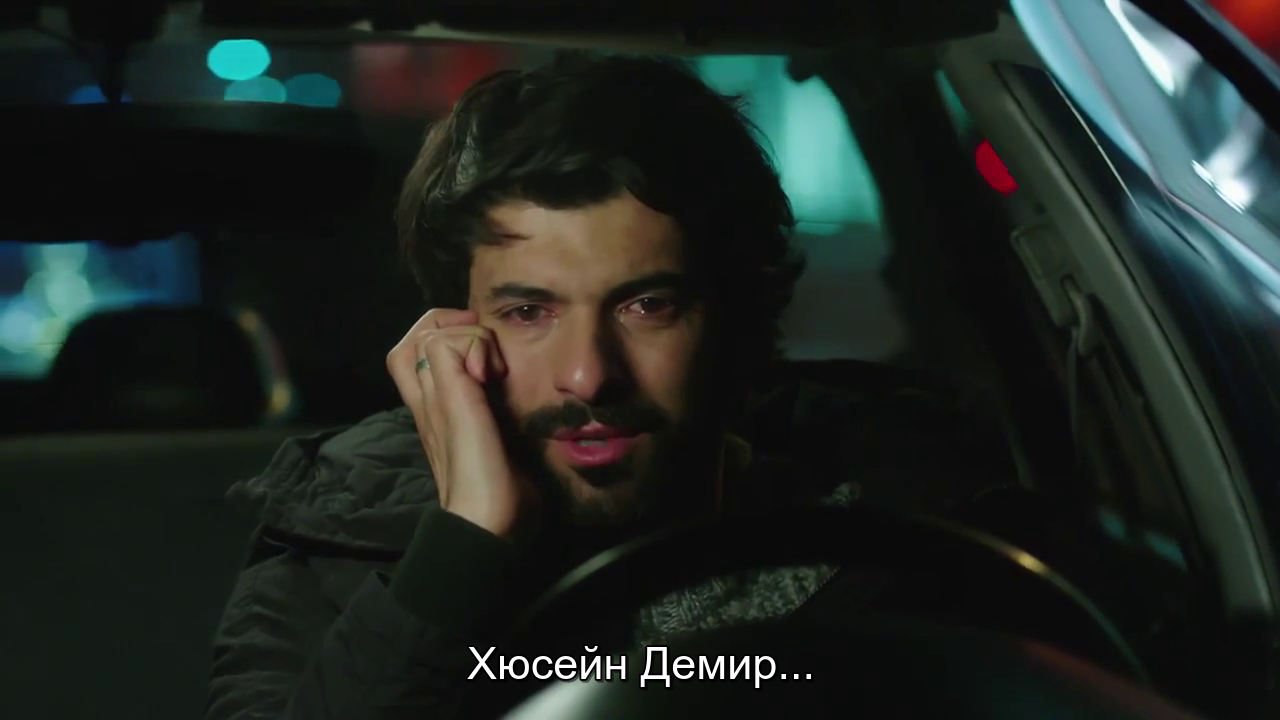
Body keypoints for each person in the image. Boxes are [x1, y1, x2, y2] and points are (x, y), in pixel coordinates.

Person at [206, 52, 1014, 720]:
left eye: (646, 305)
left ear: (733, 318)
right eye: (529, 311)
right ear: (453, 334)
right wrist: (465, 546)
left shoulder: (894, 546)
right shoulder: (345, 537)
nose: (589, 374)